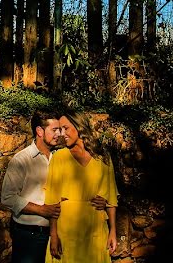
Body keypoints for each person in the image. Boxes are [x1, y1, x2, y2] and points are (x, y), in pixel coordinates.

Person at [46, 112, 119, 263]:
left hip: (95, 228)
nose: (62, 133)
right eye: (59, 129)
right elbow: (52, 201)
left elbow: (111, 197)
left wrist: (113, 231)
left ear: (79, 127)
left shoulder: (102, 157)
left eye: (65, 128)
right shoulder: (59, 157)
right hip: (66, 229)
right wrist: (53, 235)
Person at [1, 110, 65, 263]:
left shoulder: (60, 158)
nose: (59, 134)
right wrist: (42, 210)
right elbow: (8, 198)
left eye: (60, 129)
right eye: (54, 129)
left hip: (57, 234)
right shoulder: (22, 160)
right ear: (39, 131)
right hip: (28, 236)